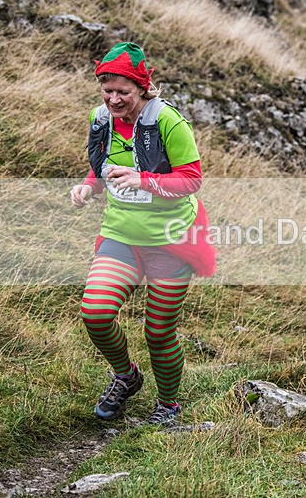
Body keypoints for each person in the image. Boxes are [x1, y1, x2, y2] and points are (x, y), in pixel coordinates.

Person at [70, 42, 216, 424]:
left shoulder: (168, 121)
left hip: (171, 239)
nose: (114, 99)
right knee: (96, 313)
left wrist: (144, 180)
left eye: (123, 91)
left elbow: (191, 180)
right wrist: (88, 186)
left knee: (158, 331)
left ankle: (168, 404)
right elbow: (101, 168)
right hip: (120, 234)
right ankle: (126, 375)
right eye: (107, 90)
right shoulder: (99, 119)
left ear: (142, 88)